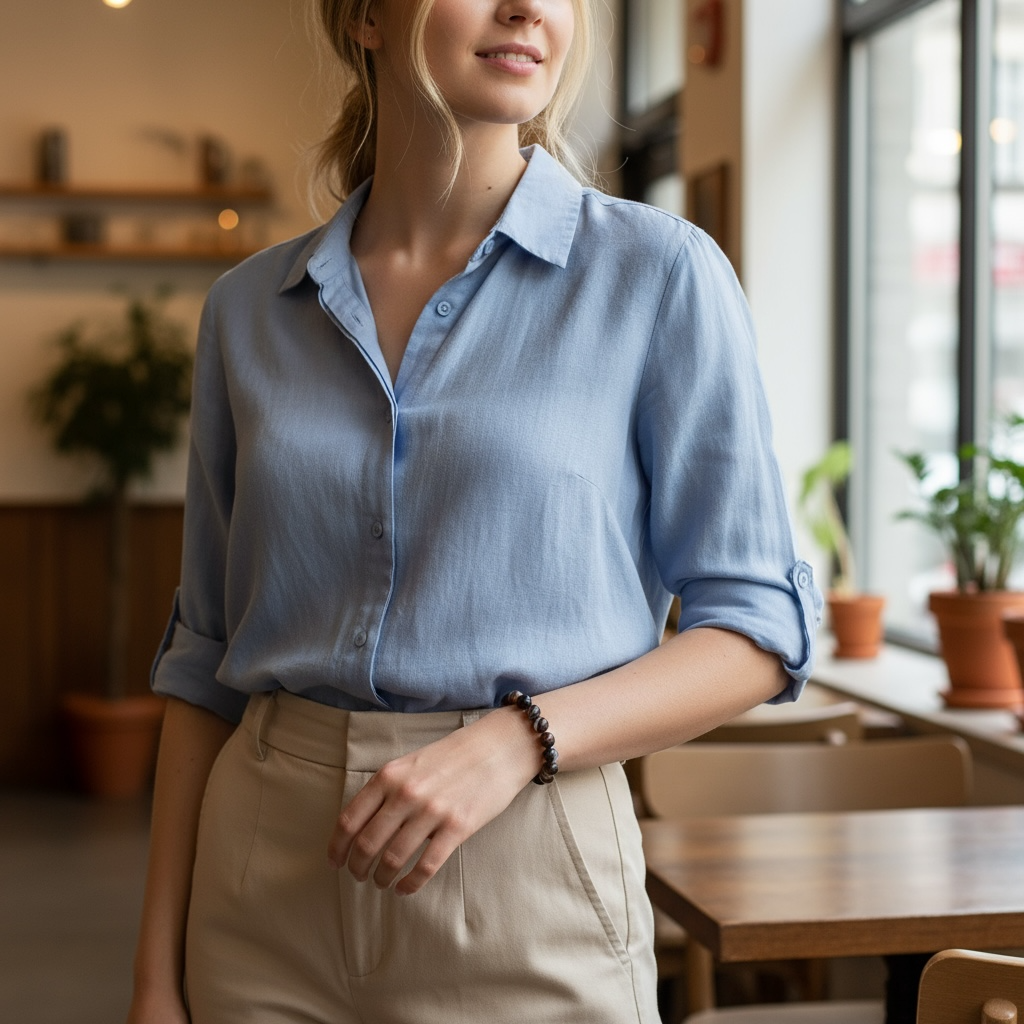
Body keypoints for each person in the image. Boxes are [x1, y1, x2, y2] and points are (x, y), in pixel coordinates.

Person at [126, 0, 821, 1021]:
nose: (528, 8)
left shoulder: (658, 276)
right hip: (257, 887)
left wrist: (512, 740)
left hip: (527, 869)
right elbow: (204, 657)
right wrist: (154, 976)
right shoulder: (246, 312)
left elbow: (758, 628)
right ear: (365, 15)